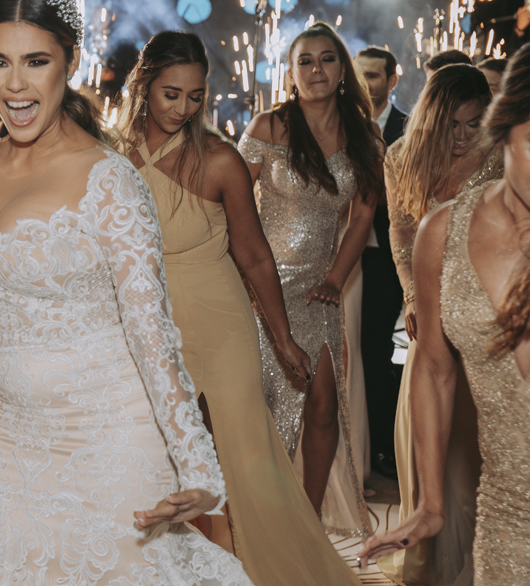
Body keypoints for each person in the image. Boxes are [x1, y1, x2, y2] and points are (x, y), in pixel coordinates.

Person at [0, 0, 252, 585]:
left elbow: (152, 332)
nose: (15, 85)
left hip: (108, 436)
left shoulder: (110, 180)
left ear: (70, 62)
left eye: (37, 62)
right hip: (4, 433)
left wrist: (198, 467)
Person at [117, 31, 358, 585]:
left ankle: (265, 568)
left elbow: (254, 257)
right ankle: (182, 568)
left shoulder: (222, 158)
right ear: (143, 85)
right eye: (170, 94)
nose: (182, 108)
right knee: (155, 448)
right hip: (145, 322)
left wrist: (282, 338)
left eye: (195, 96)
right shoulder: (110, 157)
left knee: (244, 450)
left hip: (222, 319)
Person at [359, 34, 530, 585]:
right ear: (509, 130)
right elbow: (432, 366)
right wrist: (429, 503)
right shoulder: (444, 231)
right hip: (512, 526)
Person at [237, 22, 378, 538]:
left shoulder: (363, 135)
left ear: (342, 70)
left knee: (323, 406)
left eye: (327, 60)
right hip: (259, 285)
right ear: (291, 72)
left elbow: (362, 217)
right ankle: (253, 522)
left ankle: (306, 521)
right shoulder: (269, 127)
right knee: (261, 406)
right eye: (305, 61)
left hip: (319, 288)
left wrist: (336, 280)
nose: (316, 70)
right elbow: (234, 201)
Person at [376, 63, 502, 586]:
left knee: (477, 445)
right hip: (430, 310)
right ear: (430, 118)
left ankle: (481, 562)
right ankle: (434, 557)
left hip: (487, 309)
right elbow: (400, 233)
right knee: (429, 439)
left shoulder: (501, 155)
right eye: (453, 124)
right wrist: (411, 291)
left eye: (474, 123)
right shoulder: (401, 158)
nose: (463, 136)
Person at [353, 46, 406, 479]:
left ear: (392, 80)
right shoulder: (341, 127)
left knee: (376, 351)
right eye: (361, 75)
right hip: (340, 256)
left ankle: (383, 449)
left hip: (388, 257)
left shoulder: (409, 130)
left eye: (374, 75)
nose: (367, 84)